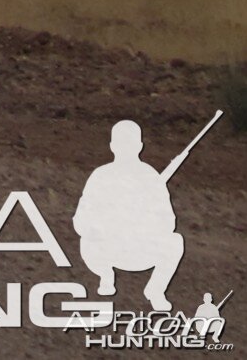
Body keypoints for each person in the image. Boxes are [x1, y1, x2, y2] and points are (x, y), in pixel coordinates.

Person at [75, 120, 185, 310]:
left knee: (175, 241)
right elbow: (81, 219)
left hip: (140, 249)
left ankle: (155, 290)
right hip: (107, 248)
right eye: (122, 143)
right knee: (87, 240)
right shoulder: (100, 176)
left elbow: (168, 222)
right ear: (113, 146)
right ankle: (106, 275)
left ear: (139, 147)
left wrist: (143, 221)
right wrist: (100, 227)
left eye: (129, 144)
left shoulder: (151, 177)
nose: (125, 148)